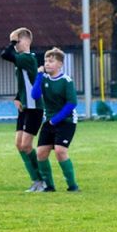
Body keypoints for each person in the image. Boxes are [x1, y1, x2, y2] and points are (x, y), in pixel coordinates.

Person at [0, 27, 46, 192]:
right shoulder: (21, 59)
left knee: (26, 145)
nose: (14, 46)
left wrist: (10, 45)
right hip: (25, 108)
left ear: (26, 41)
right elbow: (23, 83)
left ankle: (42, 180)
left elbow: (5, 54)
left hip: (34, 108)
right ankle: (35, 180)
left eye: (16, 42)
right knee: (19, 144)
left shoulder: (27, 58)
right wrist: (18, 97)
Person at [30, 47, 80, 192]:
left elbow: (72, 104)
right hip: (49, 120)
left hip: (66, 121)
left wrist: (55, 120)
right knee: (41, 153)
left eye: (51, 61)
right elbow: (35, 95)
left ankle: (73, 186)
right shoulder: (43, 78)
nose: (47, 63)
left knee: (60, 151)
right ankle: (49, 186)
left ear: (60, 64)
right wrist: (39, 76)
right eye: (46, 60)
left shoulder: (66, 80)